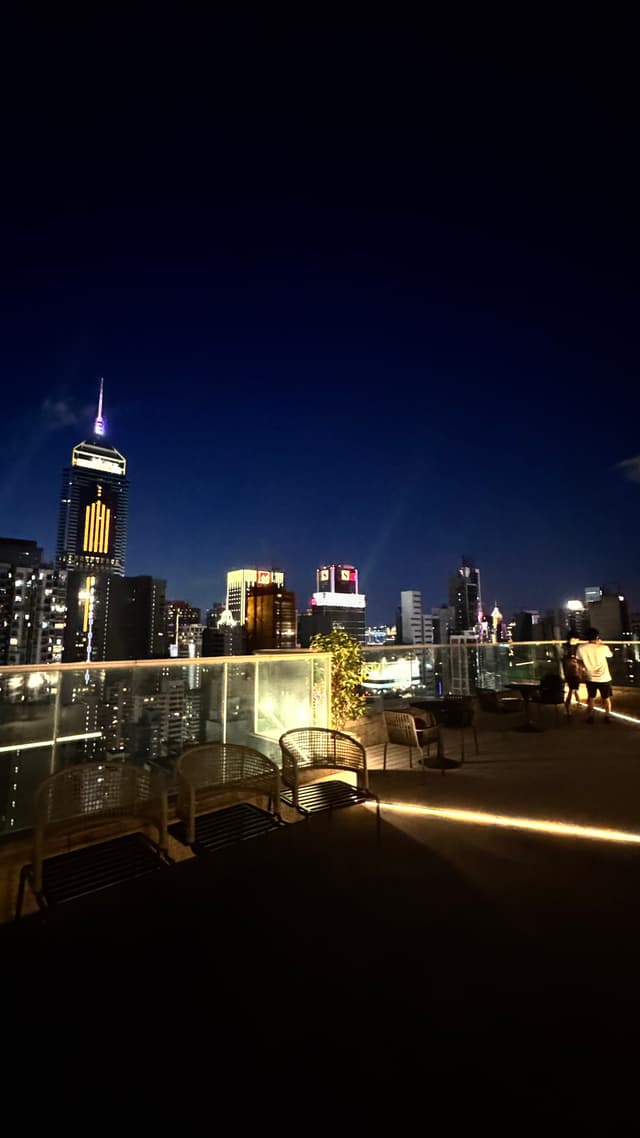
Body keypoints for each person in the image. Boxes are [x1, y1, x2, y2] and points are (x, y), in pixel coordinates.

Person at [576, 627, 613, 723]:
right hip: (604, 677)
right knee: (606, 698)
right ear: (597, 637)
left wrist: (583, 668)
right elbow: (610, 655)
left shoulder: (581, 647)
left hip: (590, 677)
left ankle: (591, 717)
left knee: (591, 698)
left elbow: (578, 660)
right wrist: (601, 643)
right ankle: (607, 716)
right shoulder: (603, 647)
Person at [561, 638, 583, 715]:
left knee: (573, 689)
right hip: (573, 675)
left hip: (572, 675)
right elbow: (576, 665)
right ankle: (567, 708)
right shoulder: (571, 656)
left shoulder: (567, 656)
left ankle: (576, 702)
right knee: (571, 690)